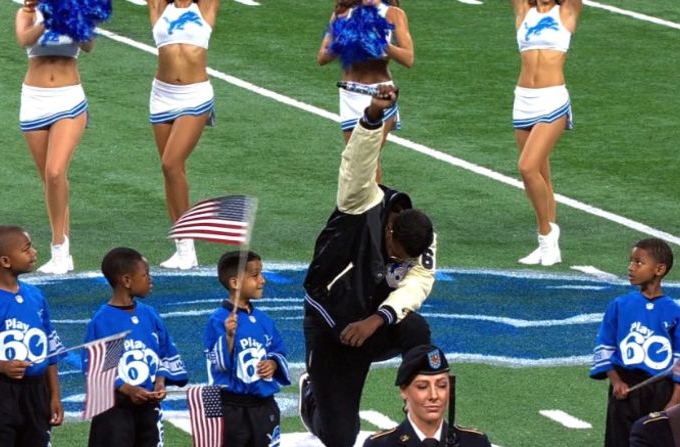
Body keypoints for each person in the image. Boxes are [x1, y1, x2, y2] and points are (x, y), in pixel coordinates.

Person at [299, 85, 436, 447]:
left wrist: (377, 319)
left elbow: (419, 283)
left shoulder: (420, 236)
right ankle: (313, 394)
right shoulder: (360, 202)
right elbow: (357, 162)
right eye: (395, 253)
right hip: (331, 326)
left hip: (372, 323)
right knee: (341, 438)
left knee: (418, 331)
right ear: (390, 230)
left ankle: (417, 400)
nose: (398, 262)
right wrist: (374, 116)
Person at [590, 238, 680, 447]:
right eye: (631, 261)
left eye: (638, 262)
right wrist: (616, 381)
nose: (631, 267)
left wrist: (675, 399)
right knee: (618, 441)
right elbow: (605, 345)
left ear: (659, 269)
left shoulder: (675, 313)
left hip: (660, 388)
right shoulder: (619, 305)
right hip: (625, 387)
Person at [15, 0, 95, 274]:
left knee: (55, 171)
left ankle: (59, 248)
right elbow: (24, 40)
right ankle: (64, 252)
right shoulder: (27, 12)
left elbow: (88, 45)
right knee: (49, 180)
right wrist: (45, 19)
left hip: (68, 99)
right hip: (34, 101)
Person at [0, 225, 65, 445]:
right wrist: (1, 366)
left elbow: (50, 348)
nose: (34, 253)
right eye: (26, 249)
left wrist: (54, 395)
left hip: (36, 393)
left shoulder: (36, 296)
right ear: (5, 261)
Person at [85, 247, 188, 446]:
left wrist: (160, 380)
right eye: (145, 274)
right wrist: (127, 389)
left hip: (149, 410)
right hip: (114, 412)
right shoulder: (105, 321)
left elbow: (164, 352)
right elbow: (98, 369)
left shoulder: (149, 315)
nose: (151, 279)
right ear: (126, 280)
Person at [148, 0, 219, 269]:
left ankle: (188, 246)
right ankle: (183, 247)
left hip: (195, 95)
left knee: (171, 163)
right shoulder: (157, 6)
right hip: (161, 96)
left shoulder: (204, 7)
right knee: (170, 172)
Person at [511, 0, 582, 266]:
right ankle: (548, 243)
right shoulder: (523, 11)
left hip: (552, 100)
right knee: (540, 174)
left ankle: (546, 234)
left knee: (526, 168)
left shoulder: (566, 11)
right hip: (523, 100)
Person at [317, 0, 414, 182]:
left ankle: (374, 208)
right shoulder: (343, 12)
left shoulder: (393, 14)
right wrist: (343, 42)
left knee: (367, 158)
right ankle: (368, 206)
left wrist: (380, 43)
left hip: (379, 94)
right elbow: (322, 57)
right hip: (349, 96)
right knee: (356, 159)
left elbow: (408, 58)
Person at [203, 250, 291, 447]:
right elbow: (217, 364)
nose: (263, 280)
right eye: (255, 275)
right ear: (235, 283)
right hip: (230, 407)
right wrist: (229, 337)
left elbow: (278, 349)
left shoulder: (264, 320)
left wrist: (273, 364)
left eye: (261, 274)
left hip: (264, 405)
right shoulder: (218, 320)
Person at [364, 345, 492, 447]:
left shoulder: (475, 443)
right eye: (422, 387)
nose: (434, 395)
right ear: (404, 391)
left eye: (442, 385)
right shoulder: (379, 444)